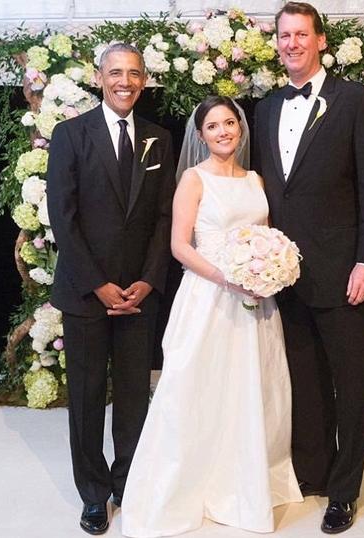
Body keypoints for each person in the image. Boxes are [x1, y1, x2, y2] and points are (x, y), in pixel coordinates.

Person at [121, 95, 303, 537]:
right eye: (213, 126)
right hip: (209, 297)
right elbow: (179, 245)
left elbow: (266, 235)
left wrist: (270, 268)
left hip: (256, 299)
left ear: (240, 127)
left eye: (229, 123)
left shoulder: (256, 180)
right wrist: (228, 278)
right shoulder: (193, 178)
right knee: (197, 389)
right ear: (200, 136)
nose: (223, 132)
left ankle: (245, 483)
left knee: (253, 388)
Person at [253, 2, 364, 534]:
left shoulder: (356, 101)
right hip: (284, 273)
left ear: (320, 40)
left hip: (343, 270)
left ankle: (345, 490)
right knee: (304, 380)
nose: (292, 43)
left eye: (301, 34)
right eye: (284, 35)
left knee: (350, 385)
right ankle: (314, 472)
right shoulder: (266, 107)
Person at [46, 43, 175, 535]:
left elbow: (164, 218)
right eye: (116, 72)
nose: (126, 81)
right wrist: (98, 283)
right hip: (87, 293)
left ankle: (128, 483)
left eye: (134, 73)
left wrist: (148, 279)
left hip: (140, 294)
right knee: (85, 398)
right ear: (99, 77)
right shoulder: (70, 135)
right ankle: (93, 495)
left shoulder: (160, 139)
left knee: (134, 397)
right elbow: (64, 218)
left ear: (144, 80)